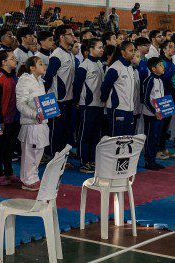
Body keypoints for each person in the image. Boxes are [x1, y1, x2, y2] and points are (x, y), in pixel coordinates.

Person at [16, 56, 50, 191]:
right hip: (31, 123)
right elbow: (20, 104)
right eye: (40, 64)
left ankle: (34, 177)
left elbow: (43, 103)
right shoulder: (25, 81)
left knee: (38, 154)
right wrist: (34, 115)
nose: (44, 66)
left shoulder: (40, 82)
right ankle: (27, 180)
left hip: (41, 123)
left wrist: (51, 111)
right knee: (30, 154)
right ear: (32, 68)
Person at [43, 25, 75, 156]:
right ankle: (53, 156)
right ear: (62, 37)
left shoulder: (70, 54)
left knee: (65, 130)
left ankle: (61, 155)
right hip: (57, 99)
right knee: (56, 130)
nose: (73, 36)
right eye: (70, 34)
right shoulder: (57, 55)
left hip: (68, 99)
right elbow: (48, 77)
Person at [74, 37, 104, 172]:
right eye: (99, 47)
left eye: (102, 47)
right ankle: (83, 161)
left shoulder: (99, 64)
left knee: (95, 135)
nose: (102, 49)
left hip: (98, 105)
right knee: (85, 134)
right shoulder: (84, 66)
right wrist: (77, 102)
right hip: (87, 105)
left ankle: (92, 160)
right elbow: (77, 86)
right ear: (90, 49)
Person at [0, 50, 20, 186]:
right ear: (4, 62)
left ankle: (8, 171)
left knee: (10, 147)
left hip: (14, 118)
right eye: (12, 58)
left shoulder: (14, 77)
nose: (15, 60)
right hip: (2, 120)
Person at [101, 41, 137, 137]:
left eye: (134, 50)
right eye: (130, 50)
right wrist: (103, 100)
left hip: (129, 109)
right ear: (122, 51)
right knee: (116, 137)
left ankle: (124, 153)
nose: (133, 53)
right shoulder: (115, 68)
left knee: (127, 137)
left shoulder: (130, 67)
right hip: (117, 109)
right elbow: (105, 86)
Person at [141, 57, 166, 170]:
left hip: (159, 114)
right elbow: (145, 99)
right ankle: (148, 161)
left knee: (156, 137)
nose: (163, 67)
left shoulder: (160, 80)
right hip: (151, 115)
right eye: (160, 65)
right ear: (153, 68)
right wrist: (154, 111)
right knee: (150, 137)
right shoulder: (149, 80)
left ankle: (153, 160)